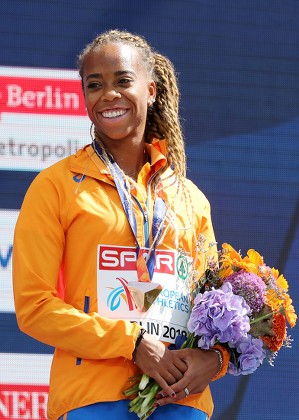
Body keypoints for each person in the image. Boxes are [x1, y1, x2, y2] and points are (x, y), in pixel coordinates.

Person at [12, 29, 229, 420]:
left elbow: (212, 310)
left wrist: (215, 359)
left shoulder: (190, 198)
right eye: (95, 85)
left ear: (151, 89)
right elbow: (35, 307)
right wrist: (132, 343)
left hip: (180, 401)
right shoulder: (56, 186)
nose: (108, 94)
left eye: (123, 81)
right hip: (93, 401)